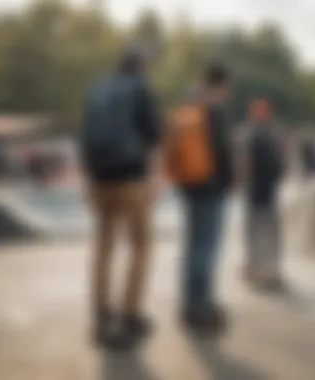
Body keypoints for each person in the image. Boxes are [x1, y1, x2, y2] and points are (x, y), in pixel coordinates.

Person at [79, 44, 162, 350]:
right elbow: (154, 133)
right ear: (141, 65)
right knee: (141, 245)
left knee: (103, 246)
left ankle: (101, 314)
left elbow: (85, 134)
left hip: (100, 179)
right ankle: (129, 315)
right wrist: (153, 178)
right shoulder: (141, 88)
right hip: (130, 178)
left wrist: (88, 180)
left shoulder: (98, 89)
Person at [166, 64, 233, 335]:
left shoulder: (185, 108)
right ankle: (202, 306)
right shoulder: (212, 110)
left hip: (189, 188)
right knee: (206, 249)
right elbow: (222, 151)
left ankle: (188, 304)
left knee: (192, 247)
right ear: (221, 85)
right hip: (211, 190)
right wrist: (227, 184)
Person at [242, 99, 285, 291]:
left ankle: (255, 268)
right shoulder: (273, 135)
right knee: (269, 231)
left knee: (254, 231)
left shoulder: (249, 135)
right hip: (268, 190)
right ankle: (270, 270)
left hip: (254, 190)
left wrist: (240, 183)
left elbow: (245, 162)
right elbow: (281, 163)